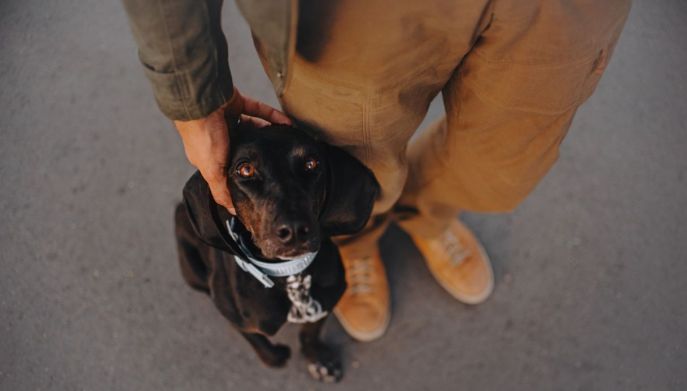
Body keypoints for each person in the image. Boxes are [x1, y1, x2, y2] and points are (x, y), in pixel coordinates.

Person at [122, 0, 631, 341]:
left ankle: (428, 215)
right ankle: (357, 241)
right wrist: (192, 97)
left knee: (504, 158)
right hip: (359, 14)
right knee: (358, 151)